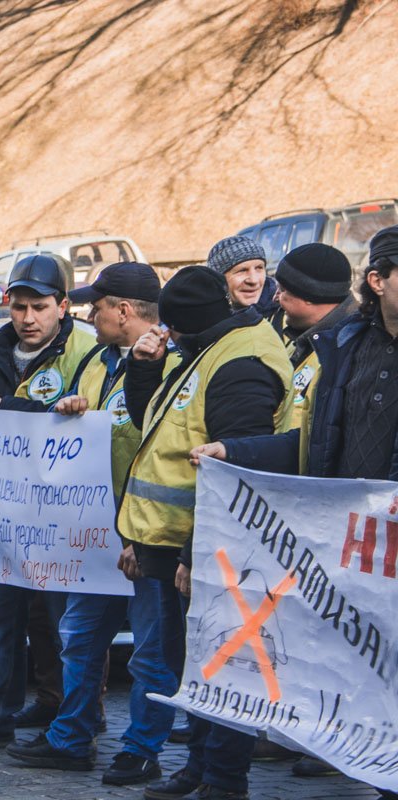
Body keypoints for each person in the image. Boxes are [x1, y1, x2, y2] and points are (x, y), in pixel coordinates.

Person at [194, 226, 398, 799]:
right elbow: (315, 445)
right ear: (378, 281)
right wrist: (235, 451)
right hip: (352, 543)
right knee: (353, 663)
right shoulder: (345, 350)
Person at [118, 266, 292, 800]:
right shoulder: (211, 345)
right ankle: (199, 764)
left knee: (225, 666)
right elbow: (158, 425)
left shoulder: (239, 361)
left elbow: (234, 473)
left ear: (191, 322)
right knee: (193, 666)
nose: (168, 337)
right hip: (170, 542)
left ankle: (223, 778)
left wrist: (197, 555)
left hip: (205, 547)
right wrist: (145, 371)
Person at [3, 263, 179, 785]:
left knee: (150, 650)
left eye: (97, 306)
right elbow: (85, 425)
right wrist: (72, 406)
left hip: (146, 532)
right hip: (95, 529)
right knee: (79, 636)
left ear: (124, 309)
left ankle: (142, 748)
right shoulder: (100, 360)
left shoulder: (173, 363)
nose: (89, 313)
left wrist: (140, 533)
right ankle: (72, 736)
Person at [0, 254, 96, 751]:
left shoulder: (87, 352)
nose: (28, 318)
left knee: (63, 624)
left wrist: (22, 407)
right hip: (3, 515)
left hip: (63, 517)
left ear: (63, 306)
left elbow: (91, 423)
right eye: (19, 306)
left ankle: (76, 715)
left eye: (40, 307)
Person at [273, 242, 358, 436]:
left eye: (284, 290)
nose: (276, 298)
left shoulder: (351, 348)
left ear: (310, 295)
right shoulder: (300, 337)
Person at [205, 236, 283, 330]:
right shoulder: (205, 321)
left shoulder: (285, 316)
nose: (254, 280)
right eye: (242, 270)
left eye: (259, 268)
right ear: (218, 279)